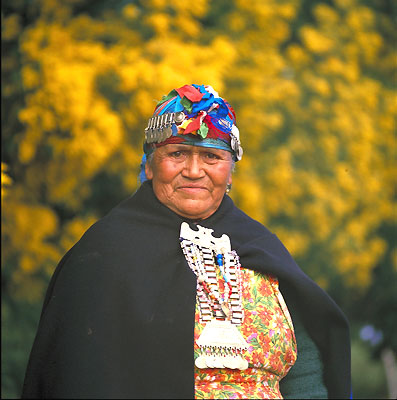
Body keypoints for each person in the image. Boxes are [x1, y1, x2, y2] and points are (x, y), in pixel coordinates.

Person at [22, 84, 351, 399]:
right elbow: (78, 377)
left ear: (230, 171)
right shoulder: (103, 254)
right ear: (149, 166)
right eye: (177, 154)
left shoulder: (261, 246)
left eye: (211, 157)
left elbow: (307, 372)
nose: (194, 171)